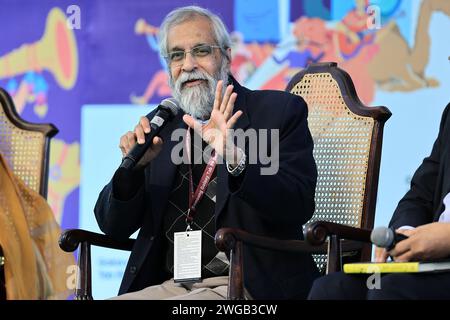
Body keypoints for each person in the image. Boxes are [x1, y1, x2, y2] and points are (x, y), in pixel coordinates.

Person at [94, 6, 319, 300]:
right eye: (176, 55)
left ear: (225, 55)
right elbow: (113, 227)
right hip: (171, 285)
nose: (188, 65)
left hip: (247, 283)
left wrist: (237, 161)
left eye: (200, 51)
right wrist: (132, 173)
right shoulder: (161, 125)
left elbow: (297, 205)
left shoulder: (277, 113)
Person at [308, 102, 450, 300]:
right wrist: (404, 233)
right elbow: (420, 195)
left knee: (390, 290)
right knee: (332, 290)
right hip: (429, 265)